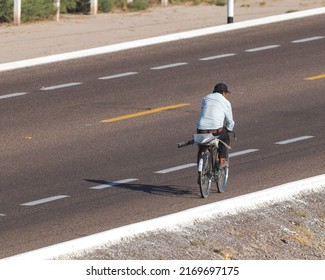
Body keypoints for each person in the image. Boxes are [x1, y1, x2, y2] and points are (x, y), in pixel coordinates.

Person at [196, 82, 235, 169]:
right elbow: (230, 121)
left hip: (201, 129)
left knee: (201, 145)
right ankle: (222, 160)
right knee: (225, 138)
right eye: (226, 94)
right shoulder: (226, 102)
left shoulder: (205, 98)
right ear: (223, 92)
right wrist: (229, 129)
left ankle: (200, 165)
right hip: (215, 131)